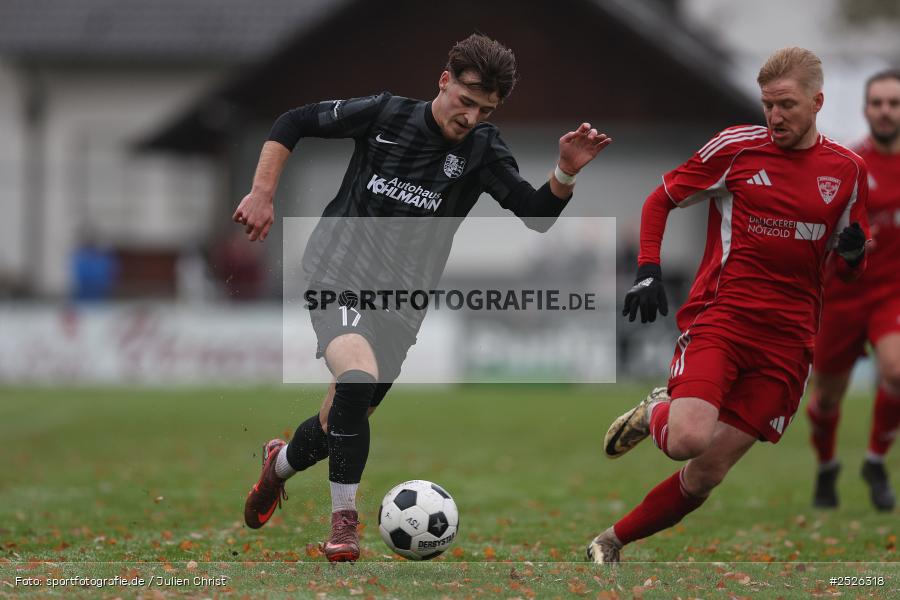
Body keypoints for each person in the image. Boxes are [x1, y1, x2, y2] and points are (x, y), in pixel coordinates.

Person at [232, 33, 611, 562]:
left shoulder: (482, 150)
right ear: (444, 81)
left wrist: (565, 171)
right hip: (336, 272)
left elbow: (536, 214)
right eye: (465, 101)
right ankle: (344, 524)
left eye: (485, 109)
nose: (471, 117)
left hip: (401, 305)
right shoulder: (385, 114)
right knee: (357, 379)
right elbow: (292, 121)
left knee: (336, 422)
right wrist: (262, 192)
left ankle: (277, 467)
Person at [587, 47, 870, 564]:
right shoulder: (737, 149)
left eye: (786, 104)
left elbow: (852, 259)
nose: (774, 116)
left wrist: (853, 258)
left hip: (788, 345)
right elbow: (661, 198)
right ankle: (659, 409)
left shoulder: (847, 170)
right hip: (724, 320)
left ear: (818, 101)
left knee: (706, 473)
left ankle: (610, 541)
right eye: (767, 104)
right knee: (686, 439)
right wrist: (648, 267)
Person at [807, 69, 900, 512]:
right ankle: (827, 467)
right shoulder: (850, 165)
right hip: (842, 296)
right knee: (826, 397)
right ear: (865, 109)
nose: (885, 111)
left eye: (894, 103)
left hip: (891, 294)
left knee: (897, 371)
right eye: (878, 102)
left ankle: (875, 461)